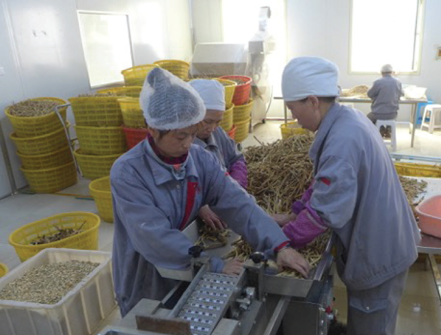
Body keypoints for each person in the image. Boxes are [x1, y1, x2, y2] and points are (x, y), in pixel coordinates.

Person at [276, 56, 419, 335]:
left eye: (294, 109)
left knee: (373, 326)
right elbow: (325, 185)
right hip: (382, 232)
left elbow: (326, 210)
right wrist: (292, 212)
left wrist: (284, 241)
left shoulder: (342, 138)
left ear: (312, 101)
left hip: (380, 247)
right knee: (365, 316)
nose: (293, 118)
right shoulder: (346, 120)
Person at [109, 68, 309, 316]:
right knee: (156, 326)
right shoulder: (128, 172)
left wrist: (279, 245)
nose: (187, 144)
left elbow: (238, 203)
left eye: (192, 134)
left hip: (188, 261)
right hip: (147, 273)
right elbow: (153, 236)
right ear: (152, 128)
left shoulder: (199, 158)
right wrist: (212, 264)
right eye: (180, 135)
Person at [189, 79, 248, 232]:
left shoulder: (217, 133)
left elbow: (237, 159)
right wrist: (200, 206)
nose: (212, 128)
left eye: (218, 122)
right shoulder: (179, 144)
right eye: (208, 121)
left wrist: (236, 185)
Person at [366, 64, 403, 138]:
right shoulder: (398, 82)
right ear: (392, 72)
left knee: (366, 119)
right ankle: (388, 130)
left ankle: (381, 130)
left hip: (378, 113)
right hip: (392, 113)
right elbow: (401, 94)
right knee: (392, 117)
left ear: (382, 73)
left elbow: (369, 94)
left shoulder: (378, 82)